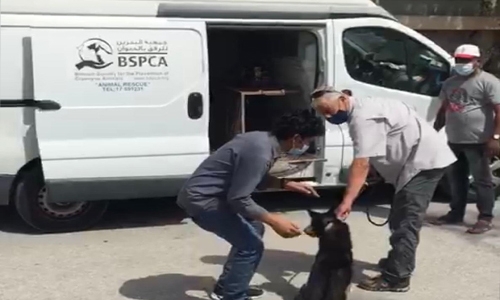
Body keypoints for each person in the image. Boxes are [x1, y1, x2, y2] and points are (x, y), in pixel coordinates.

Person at [311, 87, 456, 292]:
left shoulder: (364, 118)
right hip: (415, 161)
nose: (328, 116)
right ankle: (397, 261)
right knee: (399, 218)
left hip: (423, 164)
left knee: (406, 221)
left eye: (329, 110)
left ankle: (397, 277)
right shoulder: (366, 105)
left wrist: (347, 201)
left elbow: (361, 163)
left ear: (343, 99)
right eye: (322, 113)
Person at [176, 110, 325, 300]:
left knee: (254, 227)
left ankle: (228, 286)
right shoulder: (261, 152)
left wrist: (286, 184)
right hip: (202, 200)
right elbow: (239, 199)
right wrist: (274, 220)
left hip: (211, 195)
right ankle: (234, 296)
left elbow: (252, 176)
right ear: (296, 138)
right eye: (308, 141)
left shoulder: (261, 139)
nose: (307, 145)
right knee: (251, 246)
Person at [432, 44, 499, 234]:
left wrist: (495, 137)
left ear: (477, 61)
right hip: (454, 139)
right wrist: (434, 132)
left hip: (477, 140)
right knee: (456, 179)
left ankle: (485, 217)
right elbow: (444, 108)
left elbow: (499, 109)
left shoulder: (489, 82)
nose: (462, 64)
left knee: (482, 181)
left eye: (466, 60)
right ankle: (456, 213)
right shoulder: (450, 82)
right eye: (458, 60)